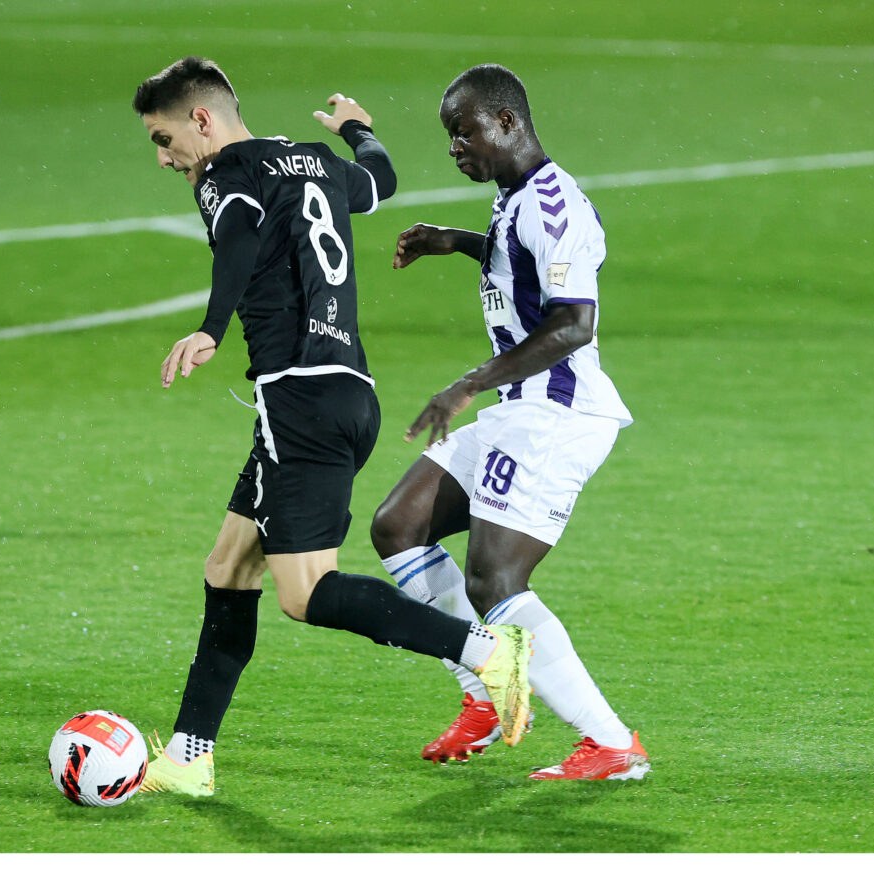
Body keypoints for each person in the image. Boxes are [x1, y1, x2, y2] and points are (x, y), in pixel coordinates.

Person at [129, 56, 533, 797]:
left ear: (202, 119)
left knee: (304, 592)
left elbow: (240, 237)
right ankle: (190, 757)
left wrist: (213, 327)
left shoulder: (226, 173)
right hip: (345, 393)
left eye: (164, 139)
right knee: (229, 568)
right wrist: (358, 131)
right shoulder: (313, 159)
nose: (164, 158)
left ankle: (485, 651)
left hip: (299, 401)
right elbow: (380, 181)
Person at [369, 63, 650, 780]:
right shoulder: (515, 196)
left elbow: (574, 324)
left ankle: (611, 742)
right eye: (448, 136)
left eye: (463, 132)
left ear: (505, 122)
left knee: (495, 579)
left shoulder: (553, 204)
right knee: (399, 526)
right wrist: (459, 241)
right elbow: (521, 264)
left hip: (556, 413)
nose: (454, 148)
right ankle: (485, 692)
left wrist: (468, 383)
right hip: (521, 407)